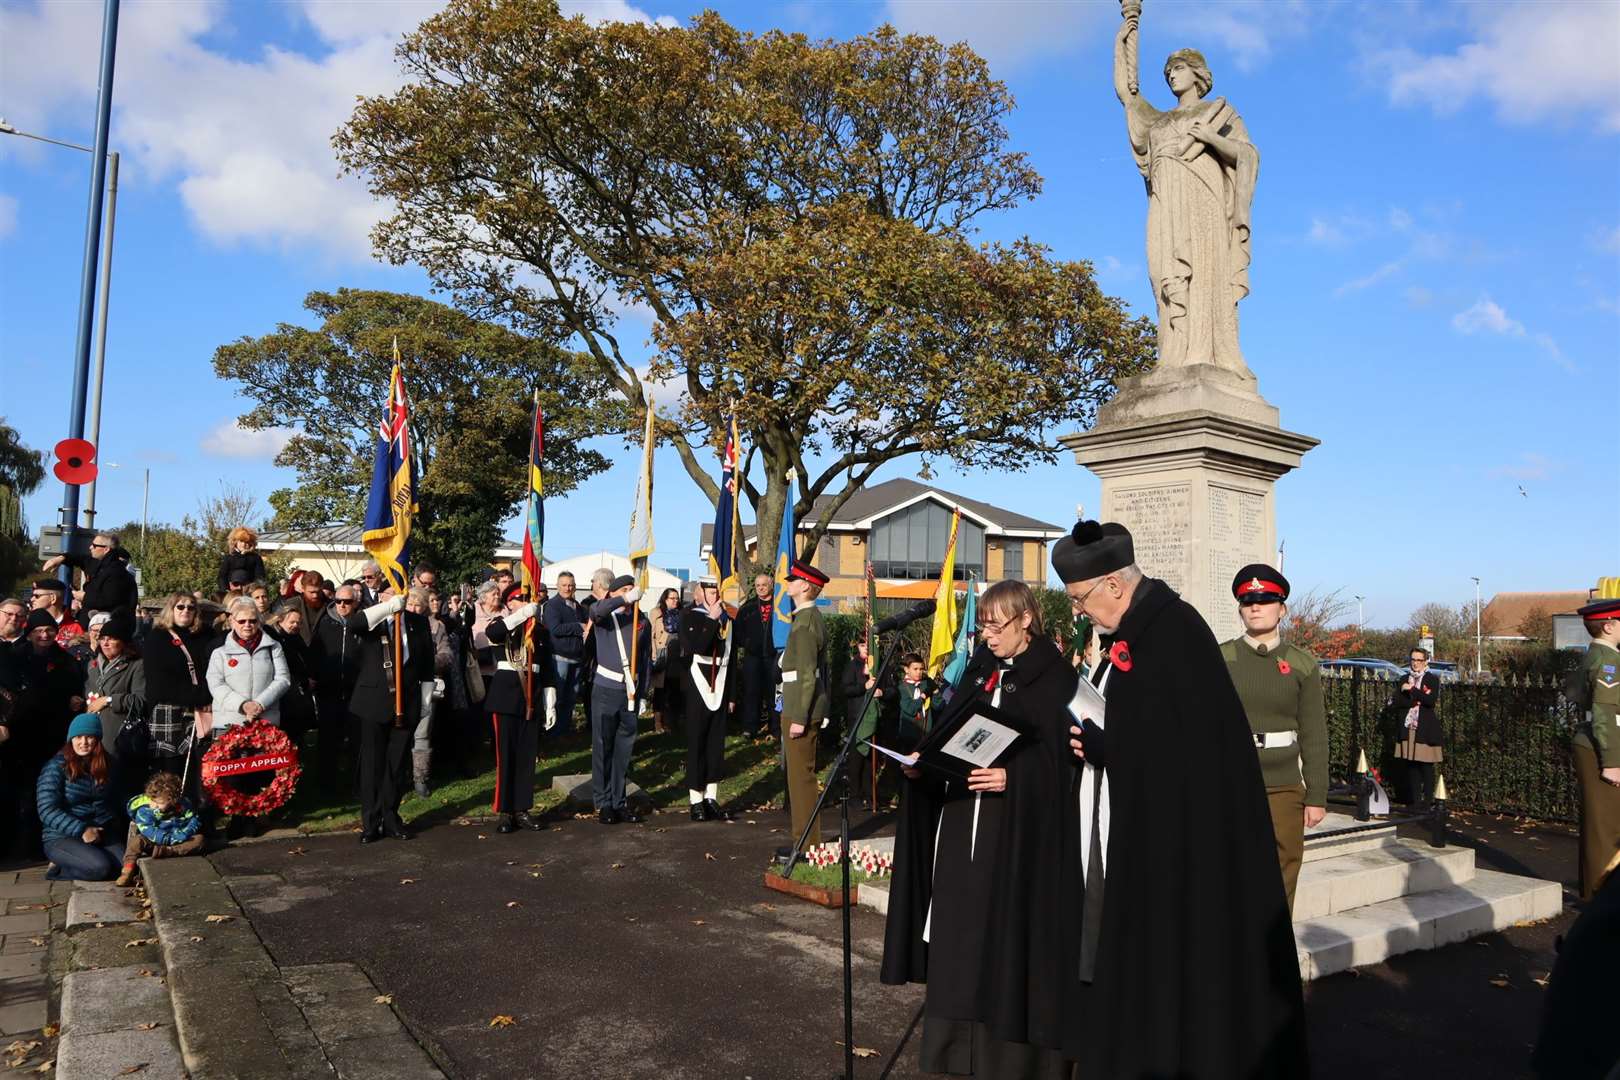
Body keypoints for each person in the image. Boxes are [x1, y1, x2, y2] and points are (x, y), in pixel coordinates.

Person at [1052, 520, 1306, 1078]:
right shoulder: (1136, 633)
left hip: (1187, 842)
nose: (1080, 612)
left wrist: (1109, 744)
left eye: (1080, 599)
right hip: (1146, 826)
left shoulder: (1174, 632)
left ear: (1114, 585)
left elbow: (1186, 751)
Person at [881, 580, 1081, 1076]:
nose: (987, 635)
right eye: (984, 625)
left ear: (1025, 620)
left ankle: (1008, 1060)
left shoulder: (1055, 679)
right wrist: (921, 763)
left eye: (996, 625)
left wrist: (1014, 777)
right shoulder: (980, 669)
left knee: (1003, 941)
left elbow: (1068, 765)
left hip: (1012, 835)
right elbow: (951, 734)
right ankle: (957, 1051)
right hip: (959, 826)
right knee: (960, 940)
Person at [1219, 564, 1328, 914]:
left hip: (1283, 786)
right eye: (1248, 601)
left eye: (1265, 600)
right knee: (1231, 870)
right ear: (1240, 609)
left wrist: (1317, 795)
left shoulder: (1301, 664)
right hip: (1232, 782)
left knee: (1282, 872)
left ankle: (1274, 953)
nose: (1255, 607)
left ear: (1282, 609)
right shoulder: (1221, 658)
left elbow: (1314, 734)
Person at [341, 588, 433, 843]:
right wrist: (387, 608)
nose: (397, 596)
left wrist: (426, 700)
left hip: (407, 703)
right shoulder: (375, 619)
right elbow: (354, 623)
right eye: (389, 592)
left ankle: (391, 817)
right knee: (372, 763)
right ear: (381, 596)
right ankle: (370, 822)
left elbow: (426, 662)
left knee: (396, 764)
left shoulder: (418, 622)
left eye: (399, 592)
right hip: (373, 702)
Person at [482, 582, 555, 833]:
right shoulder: (502, 625)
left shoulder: (541, 631)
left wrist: (550, 700)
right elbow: (494, 635)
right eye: (521, 599)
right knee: (506, 756)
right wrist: (521, 615)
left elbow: (547, 669)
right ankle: (505, 811)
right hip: (505, 699)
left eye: (529, 600)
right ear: (510, 603)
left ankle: (522, 808)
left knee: (526, 757)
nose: (527, 603)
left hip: (530, 700)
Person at [1567, 598, 1620, 901]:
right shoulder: (1609, 661)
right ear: (1610, 626)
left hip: (1594, 741)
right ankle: (1601, 900)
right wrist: (1611, 761)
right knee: (1606, 827)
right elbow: (1603, 711)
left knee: (1601, 823)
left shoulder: (1596, 655)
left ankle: (1596, 894)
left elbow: (1574, 693)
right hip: (1603, 746)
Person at [141, 593, 217, 799]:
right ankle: (170, 820)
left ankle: (199, 817)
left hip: (199, 711)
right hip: (169, 710)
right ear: (171, 609)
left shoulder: (206, 635)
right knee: (169, 772)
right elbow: (159, 684)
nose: (185, 611)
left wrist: (207, 697)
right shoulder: (157, 637)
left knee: (199, 766)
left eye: (191, 607)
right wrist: (200, 696)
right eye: (180, 607)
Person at [777, 560, 830, 856]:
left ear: (805, 586)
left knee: (801, 780)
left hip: (800, 708)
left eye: (793, 580)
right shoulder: (804, 618)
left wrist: (800, 717)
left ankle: (808, 846)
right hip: (797, 703)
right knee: (797, 779)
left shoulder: (807, 622)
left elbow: (809, 674)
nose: (789, 583)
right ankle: (805, 843)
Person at [587, 575, 648, 825]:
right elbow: (596, 610)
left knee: (624, 750)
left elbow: (645, 660)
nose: (630, 593)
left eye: (632, 590)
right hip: (606, 689)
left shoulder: (640, 620)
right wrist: (622, 599)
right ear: (612, 593)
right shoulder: (605, 616)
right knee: (603, 747)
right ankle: (603, 803)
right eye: (624, 589)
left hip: (630, 692)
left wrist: (643, 693)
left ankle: (619, 801)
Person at [36, 714, 124, 880]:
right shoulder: (55, 767)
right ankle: (58, 868)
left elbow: (119, 797)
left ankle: (87, 857)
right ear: (71, 739)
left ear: (97, 739)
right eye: (78, 737)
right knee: (100, 868)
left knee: (125, 867)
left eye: (89, 737)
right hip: (62, 836)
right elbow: (47, 809)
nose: (83, 742)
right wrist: (81, 829)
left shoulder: (108, 764)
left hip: (99, 832)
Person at [680, 576, 734, 822]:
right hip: (698, 686)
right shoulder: (690, 617)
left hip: (720, 687)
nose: (713, 595)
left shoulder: (728, 620)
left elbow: (731, 660)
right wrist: (711, 619)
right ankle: (696, 799)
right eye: (708, 591)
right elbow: (698, 647)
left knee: (715, 744)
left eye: (716, 591)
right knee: (697, 744)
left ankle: (711, 796)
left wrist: (731, 694)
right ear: (700, 592)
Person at [83, 612, 146, 800]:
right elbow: (89, 693)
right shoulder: (92, 665)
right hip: (93, 735)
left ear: (124, 642)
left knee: (117, 790)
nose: (105, 643)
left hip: (118, 738)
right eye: (103, 638)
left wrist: (109, 700)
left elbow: (141, 701)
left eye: (111, 639)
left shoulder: (136, 665)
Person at [206, 598, 291, 731]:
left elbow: (283, 679)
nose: (247, 625)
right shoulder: (219, 652)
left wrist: (260, 704)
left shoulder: (274, 647)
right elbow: (215, 684)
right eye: (242, 621)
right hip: (228, 723)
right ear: (232, 622)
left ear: (259, 622)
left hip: (265, 721)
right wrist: (243, 705)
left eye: (252, 621)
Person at [311, 583, 363, 789]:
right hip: (328, 691)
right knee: (327, 740)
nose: (342, 605)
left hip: (356, 692)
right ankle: (326, 785)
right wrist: (315, 677)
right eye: (338, 601)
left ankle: (357, 784)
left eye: (347, 602)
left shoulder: (363, 624)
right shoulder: (325, 623)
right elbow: (314, 653)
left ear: (355, 602)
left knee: (357, 740)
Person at [405, 586, 454, 797]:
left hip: (426, 683)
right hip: (400, 685)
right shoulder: (397, 623)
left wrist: (426, 663)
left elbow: (446, 654)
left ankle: (420, 777)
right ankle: (399, 775)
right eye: (410, 604)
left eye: (418, 605)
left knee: (422, 732)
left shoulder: (435, 626)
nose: (414, 609)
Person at [116, 770, 203, 886]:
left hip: (177, 841)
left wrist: (182, 835)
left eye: (160, 803)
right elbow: (147, 828)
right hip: (154, 841)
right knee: (136, 841)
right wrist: (165, 839)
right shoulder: (145, 810)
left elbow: (194, 820)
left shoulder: (183, 806)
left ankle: (170, 852)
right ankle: (127, 871)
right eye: (153, 801)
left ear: (172, 800)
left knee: (199, 840)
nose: (154, 805)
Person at [42, 533, 138, 617]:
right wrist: (62, 558)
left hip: (104, 627)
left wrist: (84, 597)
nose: (90, 547)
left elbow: (111, 600)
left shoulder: (117, 572)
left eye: (94, 545)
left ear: (106, 549)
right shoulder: (97, 563)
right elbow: (81, 559)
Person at [841, 639, 887, 811]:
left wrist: (882, 692)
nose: (865, 649)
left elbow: (892, 689)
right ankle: (855, 796)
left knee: (871, 760)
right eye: (862, 645)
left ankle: (870, 794)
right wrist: (864, 685)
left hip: (875, 718)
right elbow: (846, 689)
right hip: (858, 717)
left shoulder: (880, 665)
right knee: (857, 758)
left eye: (868, 645)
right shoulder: (852, 666)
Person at [1394, 646, 1443, 808]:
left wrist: (1412, 690)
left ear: (1425, 661)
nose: (1415, 663)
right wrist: (1416, 697)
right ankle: (1416, 802)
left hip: (1425, 729)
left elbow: (1430, 701)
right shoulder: (1403, 679)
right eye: (1413, 660)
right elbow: (1399, 703)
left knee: (1426, 765)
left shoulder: (1431, 679)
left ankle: (1428, 802)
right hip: (1409, 727)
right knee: (1412, 765)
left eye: (1419, 660)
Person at [267, 604, 317, 759]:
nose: (296, 625)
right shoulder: (276, 639)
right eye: (292, 622)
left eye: (298, 623)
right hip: (286, 694)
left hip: (299, 691)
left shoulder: (294, 637)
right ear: (281, 620)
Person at [543, 571, 588, 735]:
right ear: (557, 586)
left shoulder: (578, 606)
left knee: (571, 697)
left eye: (570, 585)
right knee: (558, 696)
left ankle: (564, 729)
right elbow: (555, 629)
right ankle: (553, 732)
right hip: (560, 657)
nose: (568, 588)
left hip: (576, 658)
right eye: (564, 585)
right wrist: (578, 626)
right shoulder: (552, 606)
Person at [735, 572, 779, 739]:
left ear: (771, 585)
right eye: (758, 585)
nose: (761, 588)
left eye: (764, 585)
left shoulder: (779, 606)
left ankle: (775, 729)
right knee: (751, 693)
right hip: (752, 657)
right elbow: (738, 630)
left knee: (774, 694)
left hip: (773, 657)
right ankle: (749, 728)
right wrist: (747, 643)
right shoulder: (748, 607)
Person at [648, 587, 682, 735]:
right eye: (672, 598)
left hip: (677, 656)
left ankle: (670, 722)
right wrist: (653, 653)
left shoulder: (682, 614)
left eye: (676, 598)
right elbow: (651, 635)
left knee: (673, 689)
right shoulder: (656, 613)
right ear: (665, 599)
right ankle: (657, 722)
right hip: (662, 654)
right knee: (660, 691)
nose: (675, 601)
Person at [217, 527, 268, 597]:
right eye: (241, 541)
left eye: (246, 542)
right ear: (235, 542)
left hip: (250, 591)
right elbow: (222, 576)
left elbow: (260, 576)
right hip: (232, 591)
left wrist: (254, 590)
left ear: (251, 543)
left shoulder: (256, 558)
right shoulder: (229, 557)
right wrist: (226, 591)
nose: (244, 544)